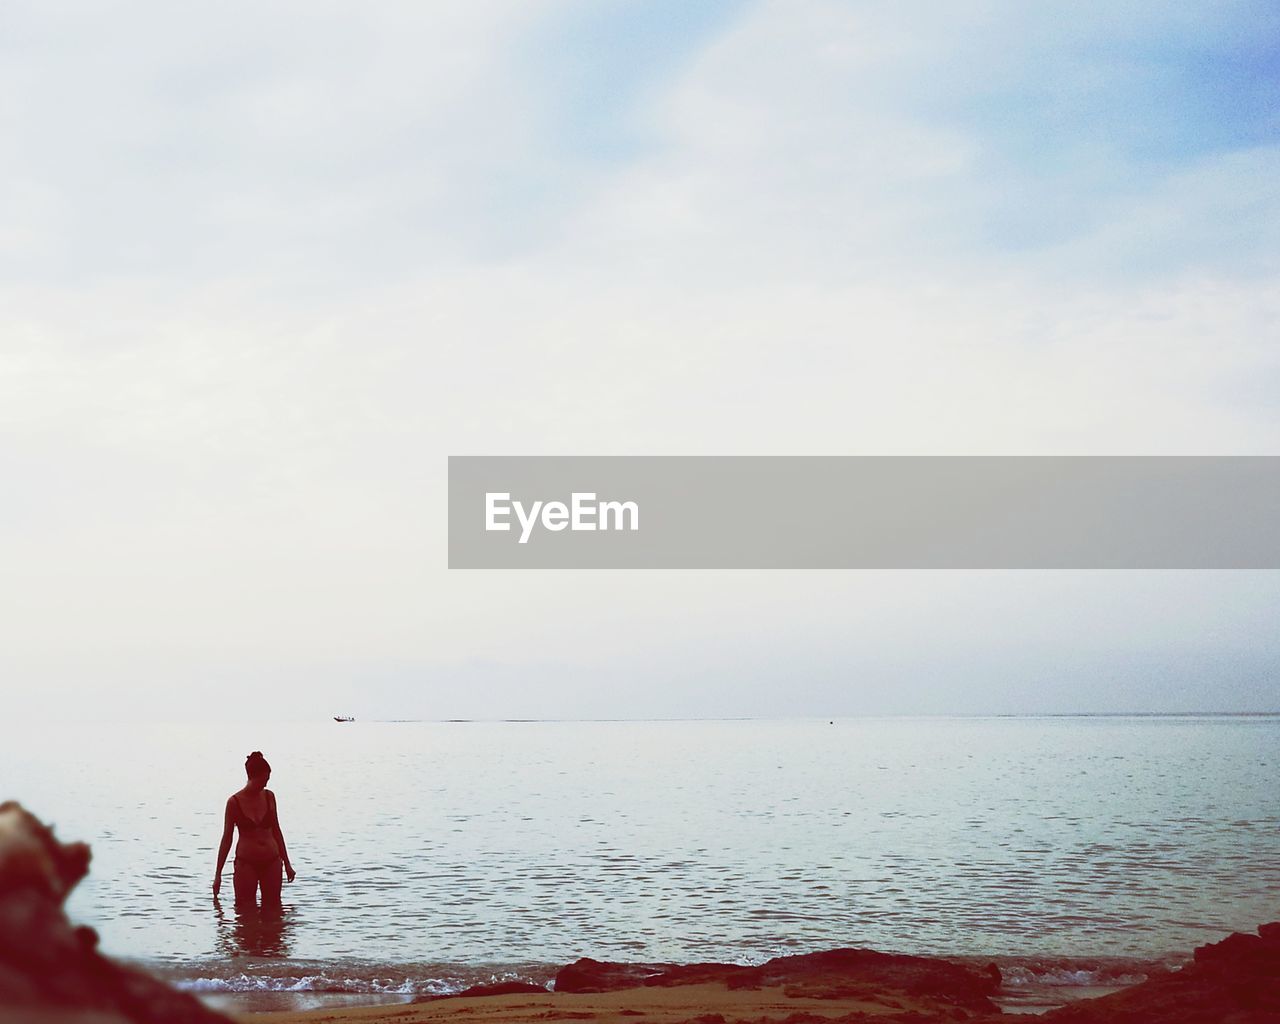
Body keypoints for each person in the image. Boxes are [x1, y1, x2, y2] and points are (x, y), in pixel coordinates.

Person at [213, 751, 296, 909]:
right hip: (246, 863)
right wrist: (218, 874)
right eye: (264, 779)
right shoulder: (234, 802)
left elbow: (277, 831)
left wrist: (287, 863)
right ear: (253, 776)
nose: (266, 784)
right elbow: (226, 839)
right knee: (245, 911)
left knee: (274, 910)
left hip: (272, 860)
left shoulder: (269, 797)